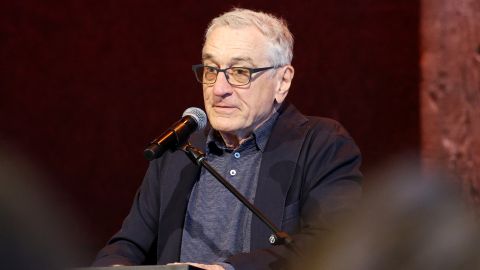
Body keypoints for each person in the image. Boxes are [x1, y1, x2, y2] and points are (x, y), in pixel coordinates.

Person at [93, 8, 362, 270]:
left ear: (282, 81)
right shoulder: (179, 150)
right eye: (211, 69)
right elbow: (128, 244)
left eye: (240, 72)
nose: (219, 89)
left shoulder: (322, 144)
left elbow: (332, 243)